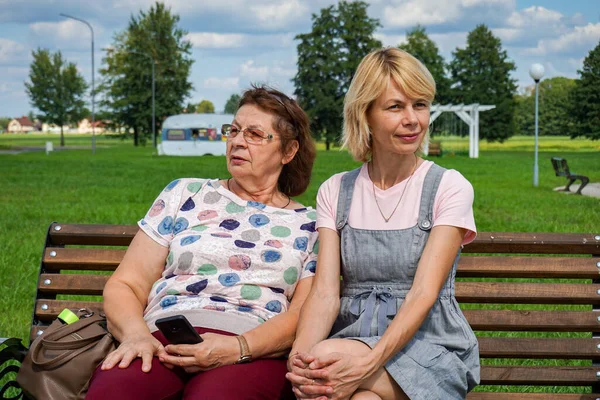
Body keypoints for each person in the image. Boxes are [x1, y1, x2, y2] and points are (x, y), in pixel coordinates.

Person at [86, 85, 318, 400]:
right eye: (234, 130)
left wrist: (239, 348)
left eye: (254, 134)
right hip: (160, 341)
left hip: (250, 350)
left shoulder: (310, 225)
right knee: (115, 393)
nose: (236, 141)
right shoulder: (185, 193)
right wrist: (136, 336)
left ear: (288, 152)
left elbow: (305, 315)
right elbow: (126, 284)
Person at [286, 47, 480, 400]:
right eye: (395, 107)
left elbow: (424, 294)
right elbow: (326, 293)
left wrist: (367, 363)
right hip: (353, 341)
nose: (413, 120)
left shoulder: (448, 186)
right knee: (350, 389)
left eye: (420, 105)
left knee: (326, 363)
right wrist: (299, 359)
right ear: (366, 116)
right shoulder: (336, 191)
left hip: (430, 345)